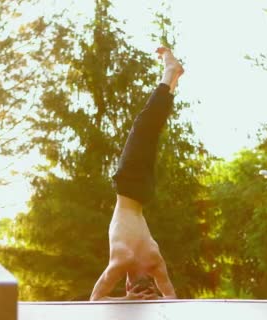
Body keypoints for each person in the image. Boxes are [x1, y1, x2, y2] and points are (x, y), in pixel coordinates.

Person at [89, 47, 184, 301]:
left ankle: (172, 80)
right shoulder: (122, 260)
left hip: (143, 193)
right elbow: (95, 300)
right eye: (127, 286)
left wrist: (145, 300)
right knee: (144, 126)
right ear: (129, 286)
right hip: (130, 187)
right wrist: (126, 301)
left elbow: (171, 298)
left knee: (150, 130)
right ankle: (170, 74)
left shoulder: (155, 261)